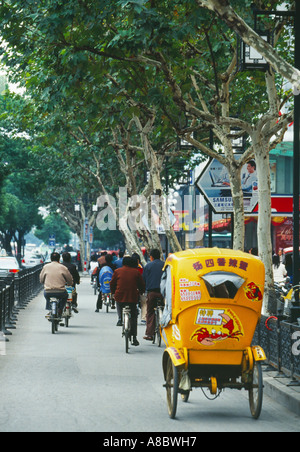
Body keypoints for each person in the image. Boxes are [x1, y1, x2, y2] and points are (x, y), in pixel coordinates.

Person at [110, 256, 145, 346]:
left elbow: (112, 283)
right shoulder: (136, 272)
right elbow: (141, 284)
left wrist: (113, 293)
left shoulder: (117, 271)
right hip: (132, 298)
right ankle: (134, 338)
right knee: (133, 316)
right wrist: (141, 291)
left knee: (118, 303)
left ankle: (120, 318)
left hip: (119, 296)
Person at [40, 252, 73, 318]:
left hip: (48, 291)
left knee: (46, 296)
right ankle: (60, 309)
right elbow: (69, 279)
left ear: (51, 258)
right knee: (65, 296)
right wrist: (69, 284)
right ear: (59, 259)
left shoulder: (45, 267)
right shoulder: (63, 267)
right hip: (60, 292)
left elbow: (41, 279)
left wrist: (44, 282)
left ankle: (49, 308)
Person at [142, 249, 164, 341]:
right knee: (166, 310)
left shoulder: (148, 266)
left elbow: (144, 280)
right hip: (163, 293)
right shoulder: (165, 265)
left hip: (152, 293)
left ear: (151, 257)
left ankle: (149, 334)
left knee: (150, 312)